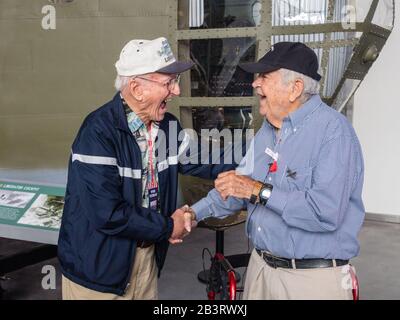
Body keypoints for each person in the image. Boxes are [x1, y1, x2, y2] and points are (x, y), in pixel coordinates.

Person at [58, 37, 236, 300]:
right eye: (168, 83)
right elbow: (107, 213)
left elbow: (210, 158)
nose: (175, 91)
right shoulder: (97, 133)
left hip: (147, 261)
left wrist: (264, 155)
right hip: (98, 274)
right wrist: (168, 226)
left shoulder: (166, 127)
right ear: (137, 89)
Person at [187, 42, 365, 300]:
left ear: (295, 88)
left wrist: (259, 190)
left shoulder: (334, 132)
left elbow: (325, 212)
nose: (254, 83)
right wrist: (193, 213)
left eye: (264, 76)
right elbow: (239, 189)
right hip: (261, 270)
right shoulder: (268, 131)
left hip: (309, 282)